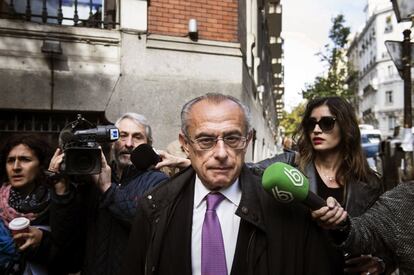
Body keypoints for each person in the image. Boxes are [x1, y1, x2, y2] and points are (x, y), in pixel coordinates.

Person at [120, 93, 335, 275]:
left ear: (248, 140)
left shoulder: (289, 208)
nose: (221, 153)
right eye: (205, 140)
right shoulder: (154, 207)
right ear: (185, 144)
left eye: (232, 139)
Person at [249, 96, 387, 274]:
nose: (316, 129)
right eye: (311, 123)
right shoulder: (291, 164)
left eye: (327, 123)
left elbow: (384, 239)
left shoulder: (369, 184)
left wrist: (380, 264)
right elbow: (250, 173)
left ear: (346, 127)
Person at [49, 112, 168, 275]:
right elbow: (65, 237)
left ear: (149, 144)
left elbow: (143, 223)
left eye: (138, 137)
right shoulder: (92, 180)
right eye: (122, 136)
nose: (129, 143)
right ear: (111, 143)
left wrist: (107, 188)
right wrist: (61, 189)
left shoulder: (158, 180)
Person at [0, 134, 74, 274]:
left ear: (40, 164)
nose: (16, 167)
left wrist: (43, 242)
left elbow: (70, 258)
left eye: (25, 159)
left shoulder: (56, 200)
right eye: (10, 160)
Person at [312, 182, 413, 274]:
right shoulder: (404, 198)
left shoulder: (371, 181)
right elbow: (362, 231)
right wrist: (340, 221)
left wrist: (382, 264)